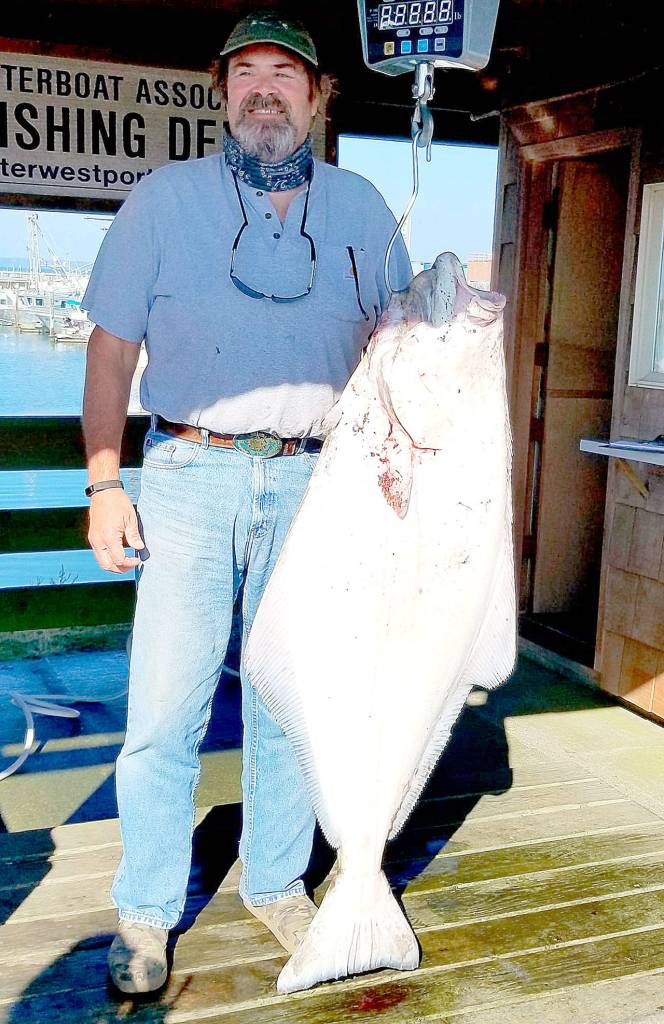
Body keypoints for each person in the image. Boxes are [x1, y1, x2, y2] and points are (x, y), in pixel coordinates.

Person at [81, 8, 412, 995]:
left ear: (316, 97)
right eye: (247, 74)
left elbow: (391, 359)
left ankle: (276, 883)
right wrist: (104, 481)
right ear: (223, 91)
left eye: (285, 74)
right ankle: (145, 910)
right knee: (164, 710)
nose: (264, 89)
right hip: (188, 473)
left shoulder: (359, 207)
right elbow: (110, 349)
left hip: (319, 482)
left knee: (290, 704)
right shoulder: (160, 199)